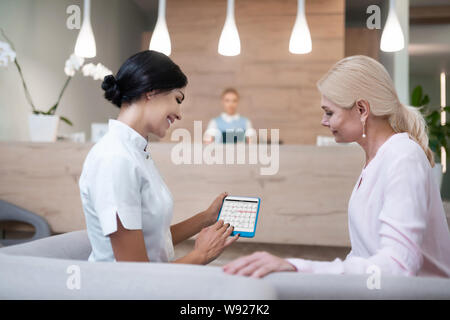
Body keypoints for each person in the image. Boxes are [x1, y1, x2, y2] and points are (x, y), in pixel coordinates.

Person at [223, 55, 450, 278]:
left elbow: (397, 268)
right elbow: (363, 257)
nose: (323, 121)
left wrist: (299, 267)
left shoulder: (403, 157)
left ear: (362, 110)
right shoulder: (377, 160)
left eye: (329, 112)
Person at [79, 50, 239, 263]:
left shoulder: (134, 152)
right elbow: (135, 273)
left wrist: (206, 218)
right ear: (151, 92)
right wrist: (202, 254)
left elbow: (154, 240)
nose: (180, 113)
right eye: (177, 99)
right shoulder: (115, 159)